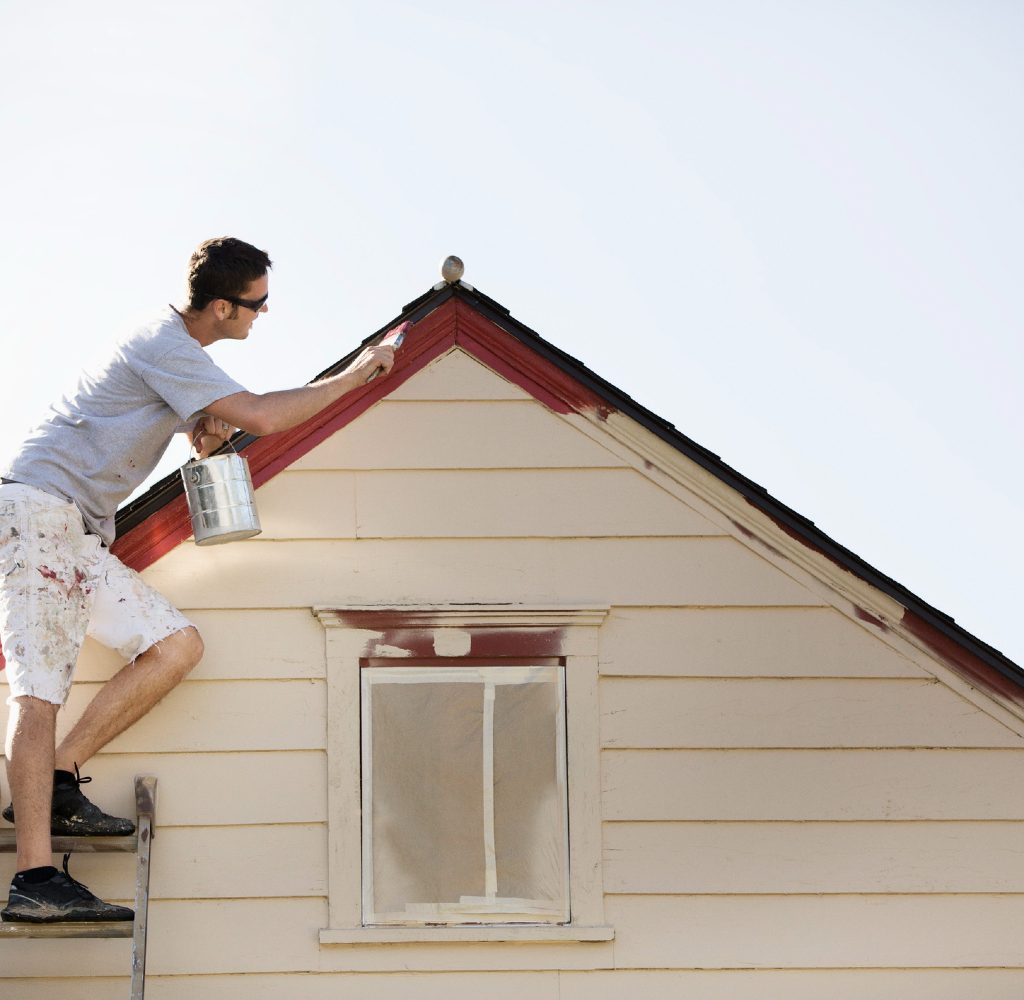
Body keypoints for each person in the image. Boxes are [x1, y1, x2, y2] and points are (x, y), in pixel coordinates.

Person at [0, 237, 400, 922]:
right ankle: (34, 878)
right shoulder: (164, 343)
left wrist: (204, 430)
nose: (263, 314)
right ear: (221, 306)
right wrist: (359, 373)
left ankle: (59, 776)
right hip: (37, 512)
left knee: (176, 644)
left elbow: (201, 420)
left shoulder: (178, 355)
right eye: (257, 304)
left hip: (80, 530)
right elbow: (265, 417)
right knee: (38, 692)